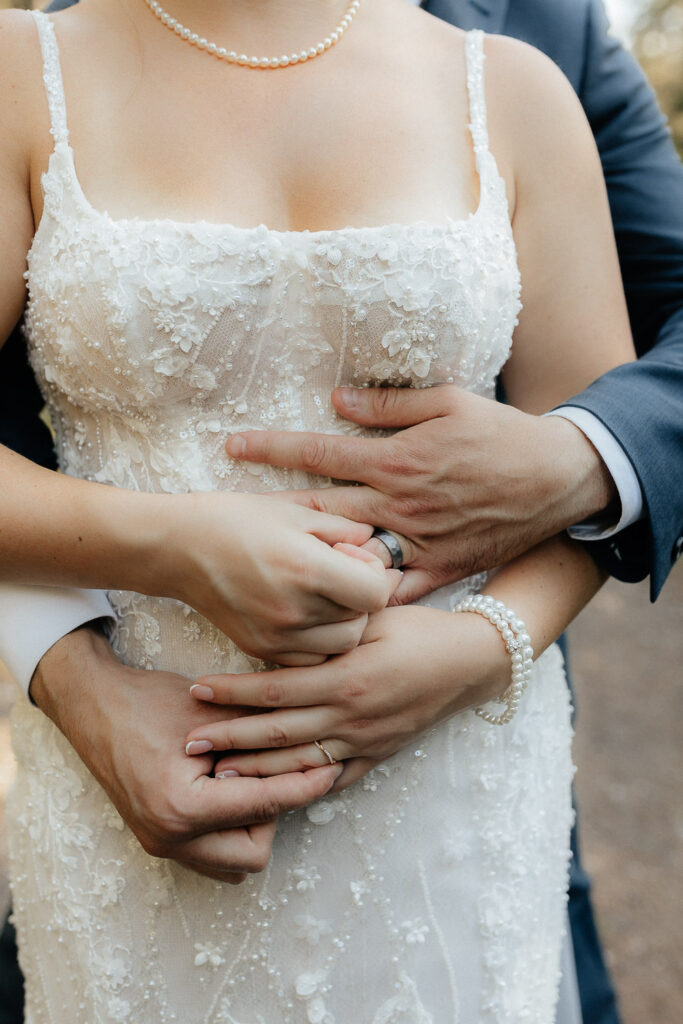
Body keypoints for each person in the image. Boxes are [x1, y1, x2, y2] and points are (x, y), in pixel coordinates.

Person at [0, 0, 675, 1021]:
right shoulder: (24, 71)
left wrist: (484, 645)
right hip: (143, 782)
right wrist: (177, 547)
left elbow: (577, 482)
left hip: (450, 782)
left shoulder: (517, 86)